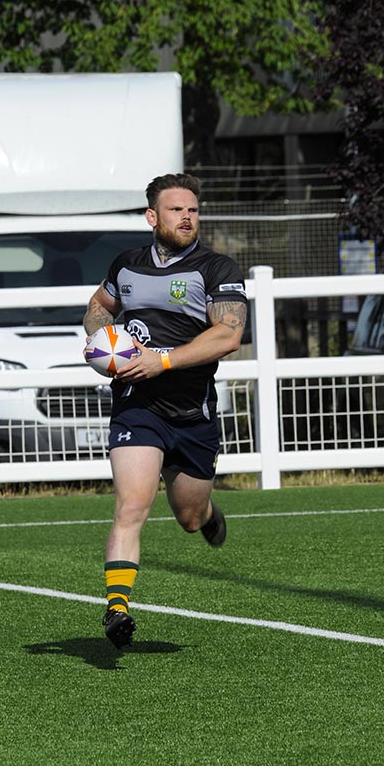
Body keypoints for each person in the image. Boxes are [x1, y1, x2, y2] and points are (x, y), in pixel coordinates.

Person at [83, 172, 248, 649]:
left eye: (193, 210)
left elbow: (228, 335)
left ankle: (209, 513)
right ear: (152, 216)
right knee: (132, 504)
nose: (187, 217)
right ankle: (117, 608)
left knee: (189, 516)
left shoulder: (215, 268)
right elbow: (99, 305)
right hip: (138, 407)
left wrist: (165, 360)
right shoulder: (127, 265)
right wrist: (102, 341)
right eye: (177, 210)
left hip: (192, 413)